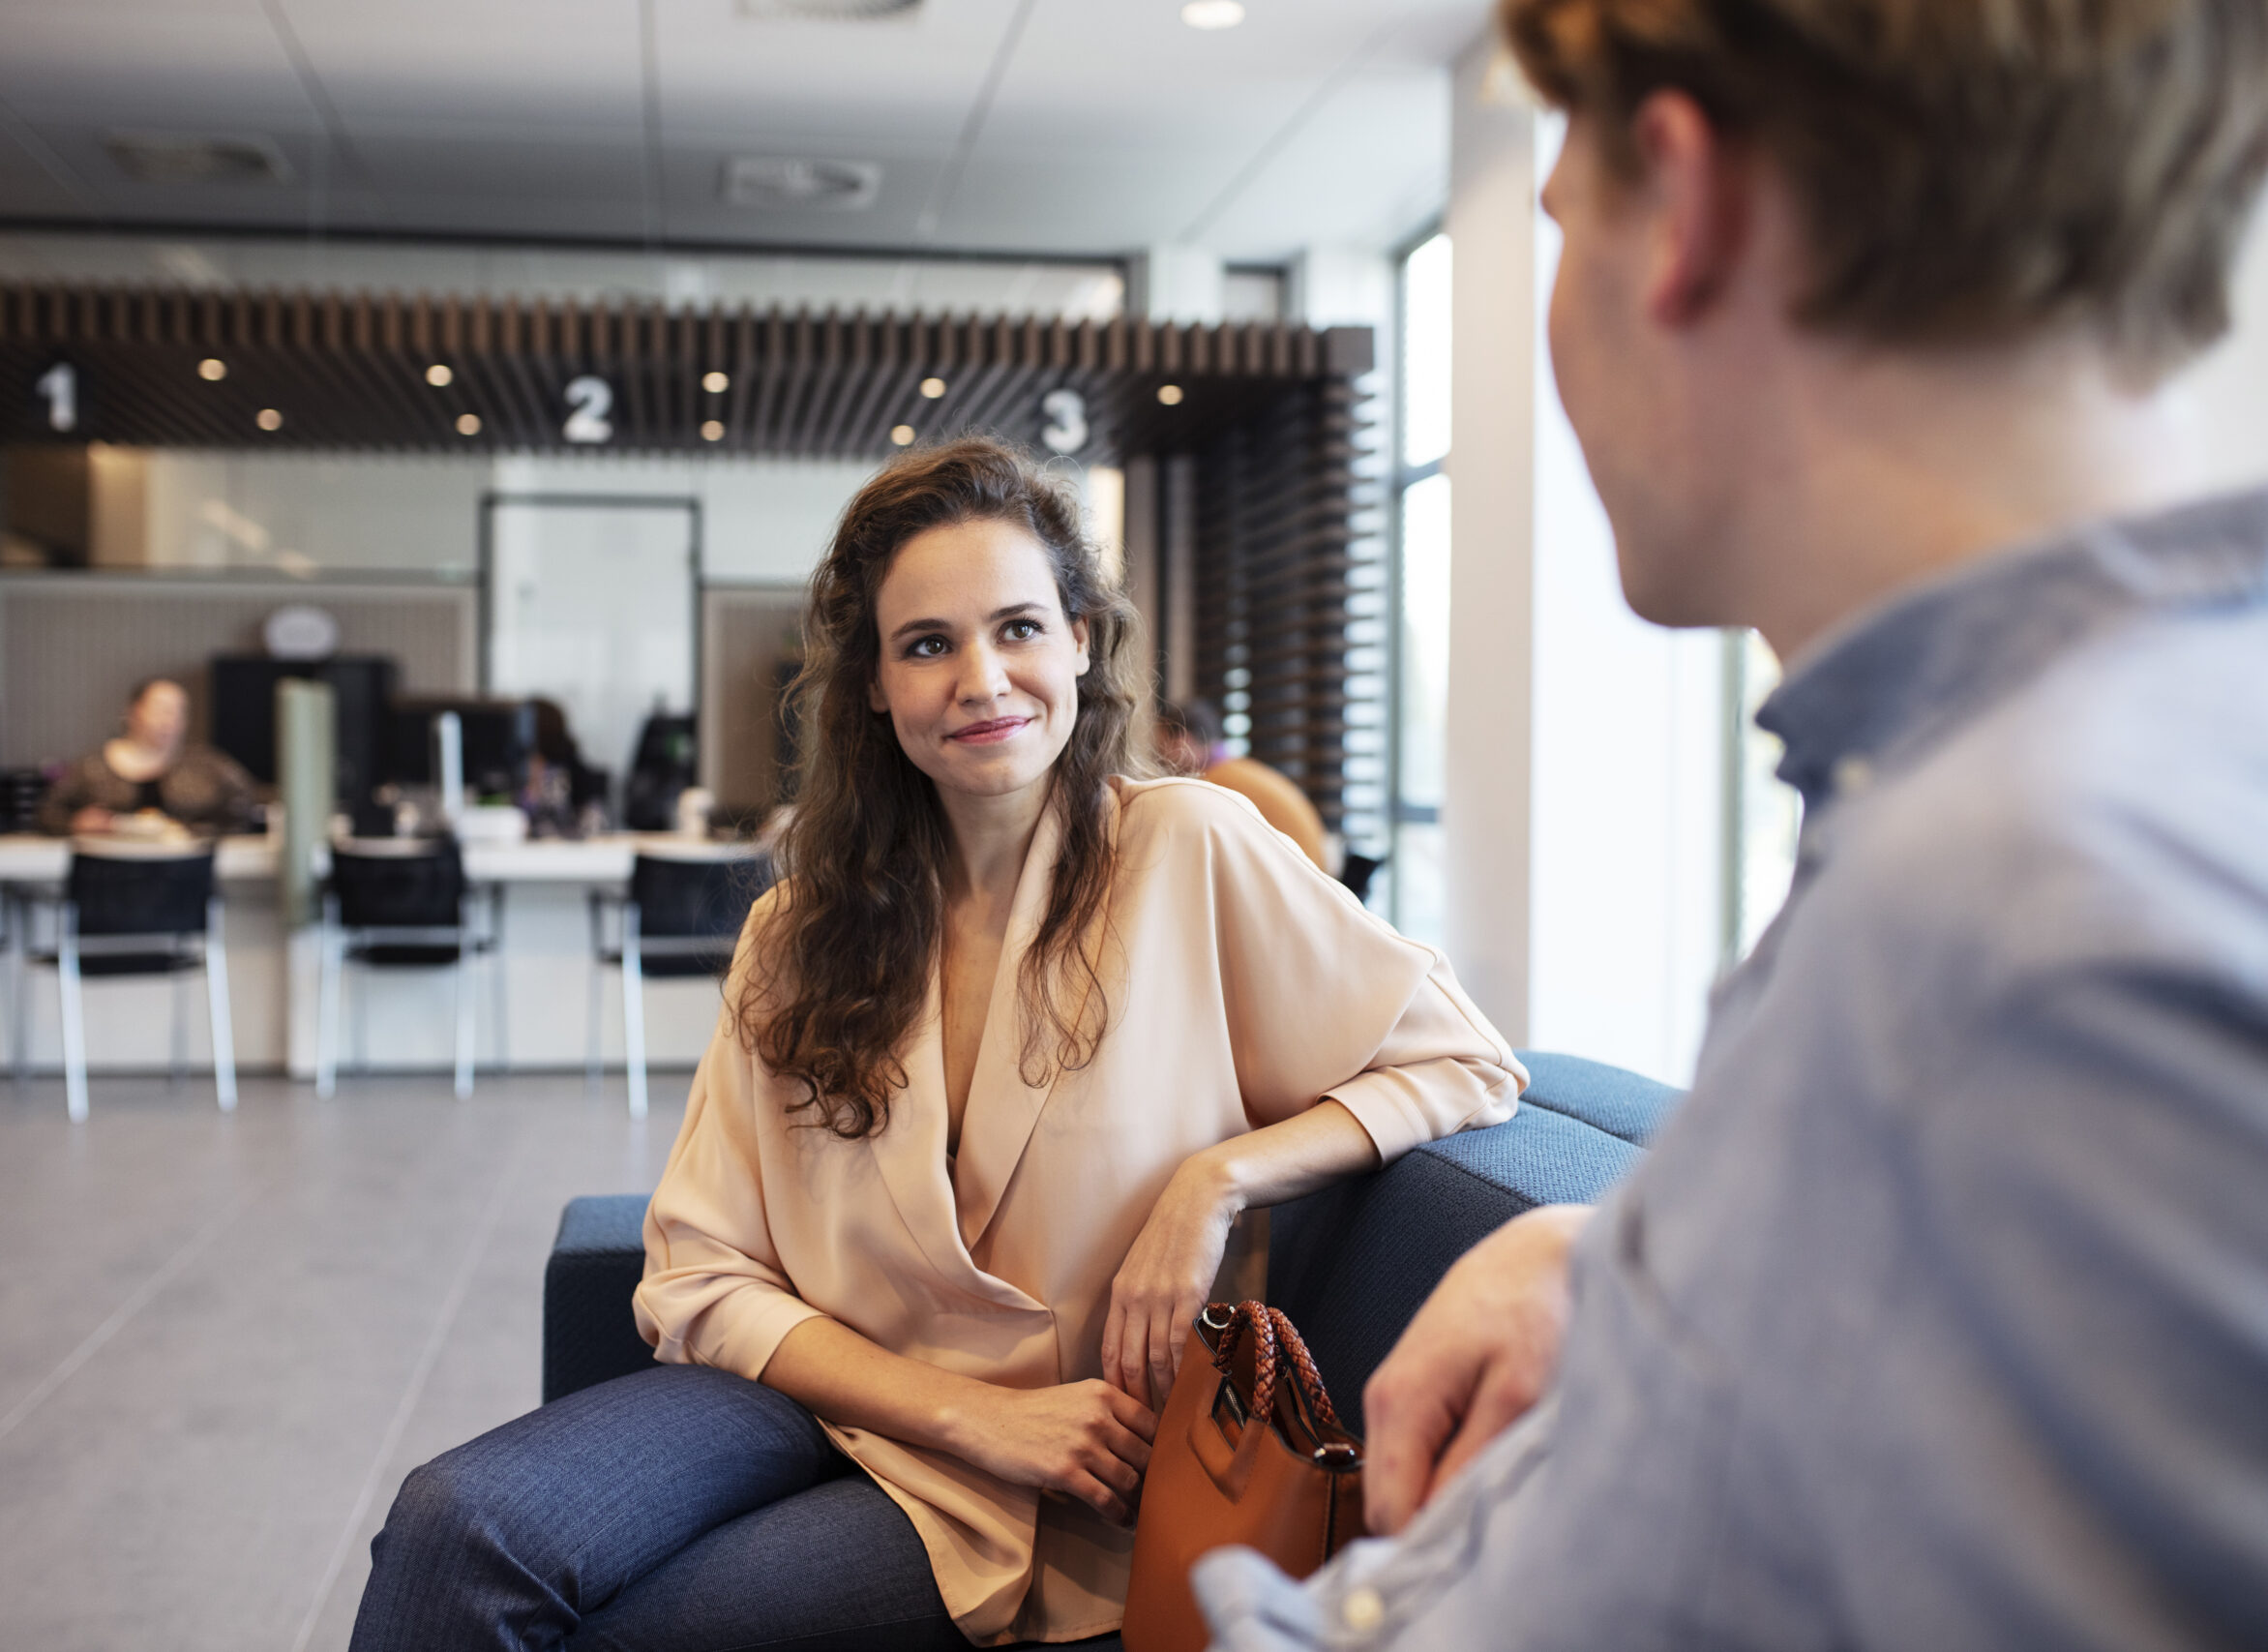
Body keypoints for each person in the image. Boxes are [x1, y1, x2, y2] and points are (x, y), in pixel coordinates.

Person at [1202, 1, 2268, 1648]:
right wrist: (1654, 1263)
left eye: (1561, 220)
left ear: (1684, 209)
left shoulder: (2024, 928)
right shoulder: (2023, 830)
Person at [347, 437, 1527, 1651]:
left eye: (1017, 627)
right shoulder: (796, 929)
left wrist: (1214, 1180)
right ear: (873, 684)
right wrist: (964, 1412)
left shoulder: (1187, 851)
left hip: (1033, 1494)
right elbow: (697, 1276)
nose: (982, 678)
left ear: (1079, 639)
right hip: (825, 1400)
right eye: (927, 644)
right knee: (452, 1526)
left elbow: (1466, 1064)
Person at [38, 676, 257, 838]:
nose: (169, 720)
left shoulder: (208, 764)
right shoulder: (92, 766)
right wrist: (75, 823)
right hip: (111, 871)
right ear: (133, 712)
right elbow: (47, 812)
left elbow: (247, 806)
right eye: (161, 710)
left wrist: (200, 831)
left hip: (185, 872)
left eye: (179, 711)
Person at [1155, 698, 1336, 872]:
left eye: (1162, 745)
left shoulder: (1215, 782)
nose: (1160, 757)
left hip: (1297, 880)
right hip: (1311, 876)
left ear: (1183, 740)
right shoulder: (1236, 770)